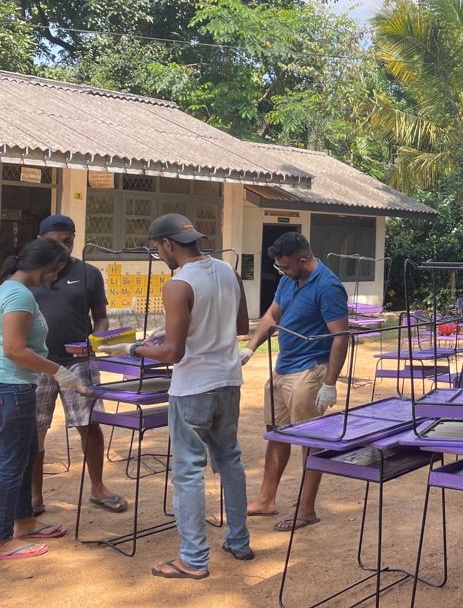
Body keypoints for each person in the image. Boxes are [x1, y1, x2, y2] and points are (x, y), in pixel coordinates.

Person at [108, 214, 251, 579]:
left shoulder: (178, 284)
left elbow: (173, 354)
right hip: (228, 381)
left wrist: (136, 349)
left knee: (188, 471)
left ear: (167, 245)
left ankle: (193, 559)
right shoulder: (227, 271)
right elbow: (239, 327)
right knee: (230, 461)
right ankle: (239, 541)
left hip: (192, 389)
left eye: (158, 249)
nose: (160, 254)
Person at [242, 232, 349, 531]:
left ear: (303, 260)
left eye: (286, 266)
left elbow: (341, 338)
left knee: (310, 440)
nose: (282, 272)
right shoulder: (288, 280)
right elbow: (271, 316)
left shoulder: (328, 287)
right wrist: (250, 348)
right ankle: (266, 499)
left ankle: (306, 508)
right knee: (275, 433)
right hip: (283, 367)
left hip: (310, 371)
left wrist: (330, 383)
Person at [1, 238, 92, 561]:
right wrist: (61, 374)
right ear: (47, 267)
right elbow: (14, 349)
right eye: (55, 272)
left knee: (25, 457)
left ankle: (24, 522)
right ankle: (3, 539)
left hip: (18, 384)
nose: (55, 278)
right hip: (11, 386)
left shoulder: (11, 290)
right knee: (11, 463)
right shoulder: (19, 294)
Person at [29, 215, 125, 516]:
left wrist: (97, 338)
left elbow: (100, 316)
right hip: (36, 363)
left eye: (68, 241)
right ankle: (34, 497)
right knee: (33, 429)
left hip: (78, 361)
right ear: (40, 239)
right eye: (56, 242)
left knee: (89, 423)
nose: (63, 248)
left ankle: (98, 488)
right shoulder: (27, 274)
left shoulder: (89, 273)